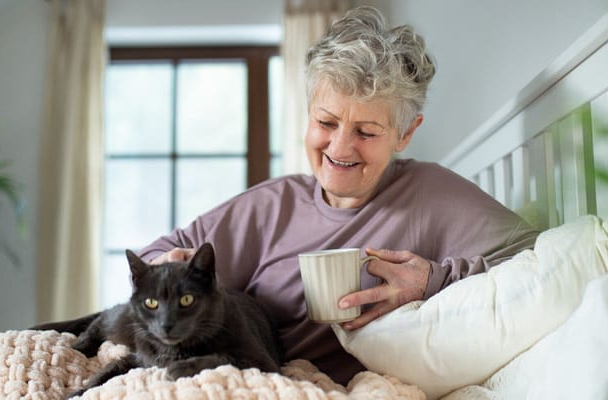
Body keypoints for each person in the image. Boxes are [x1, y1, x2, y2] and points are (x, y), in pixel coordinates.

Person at [139, 5, 539, 384]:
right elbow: (153, 258)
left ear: (406, 133)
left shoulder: (430, 195)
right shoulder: (274, 204)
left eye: (366, 132)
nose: (340, 148)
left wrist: (434, 280)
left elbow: (537, 257)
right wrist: (168, 264)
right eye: (326, 122)